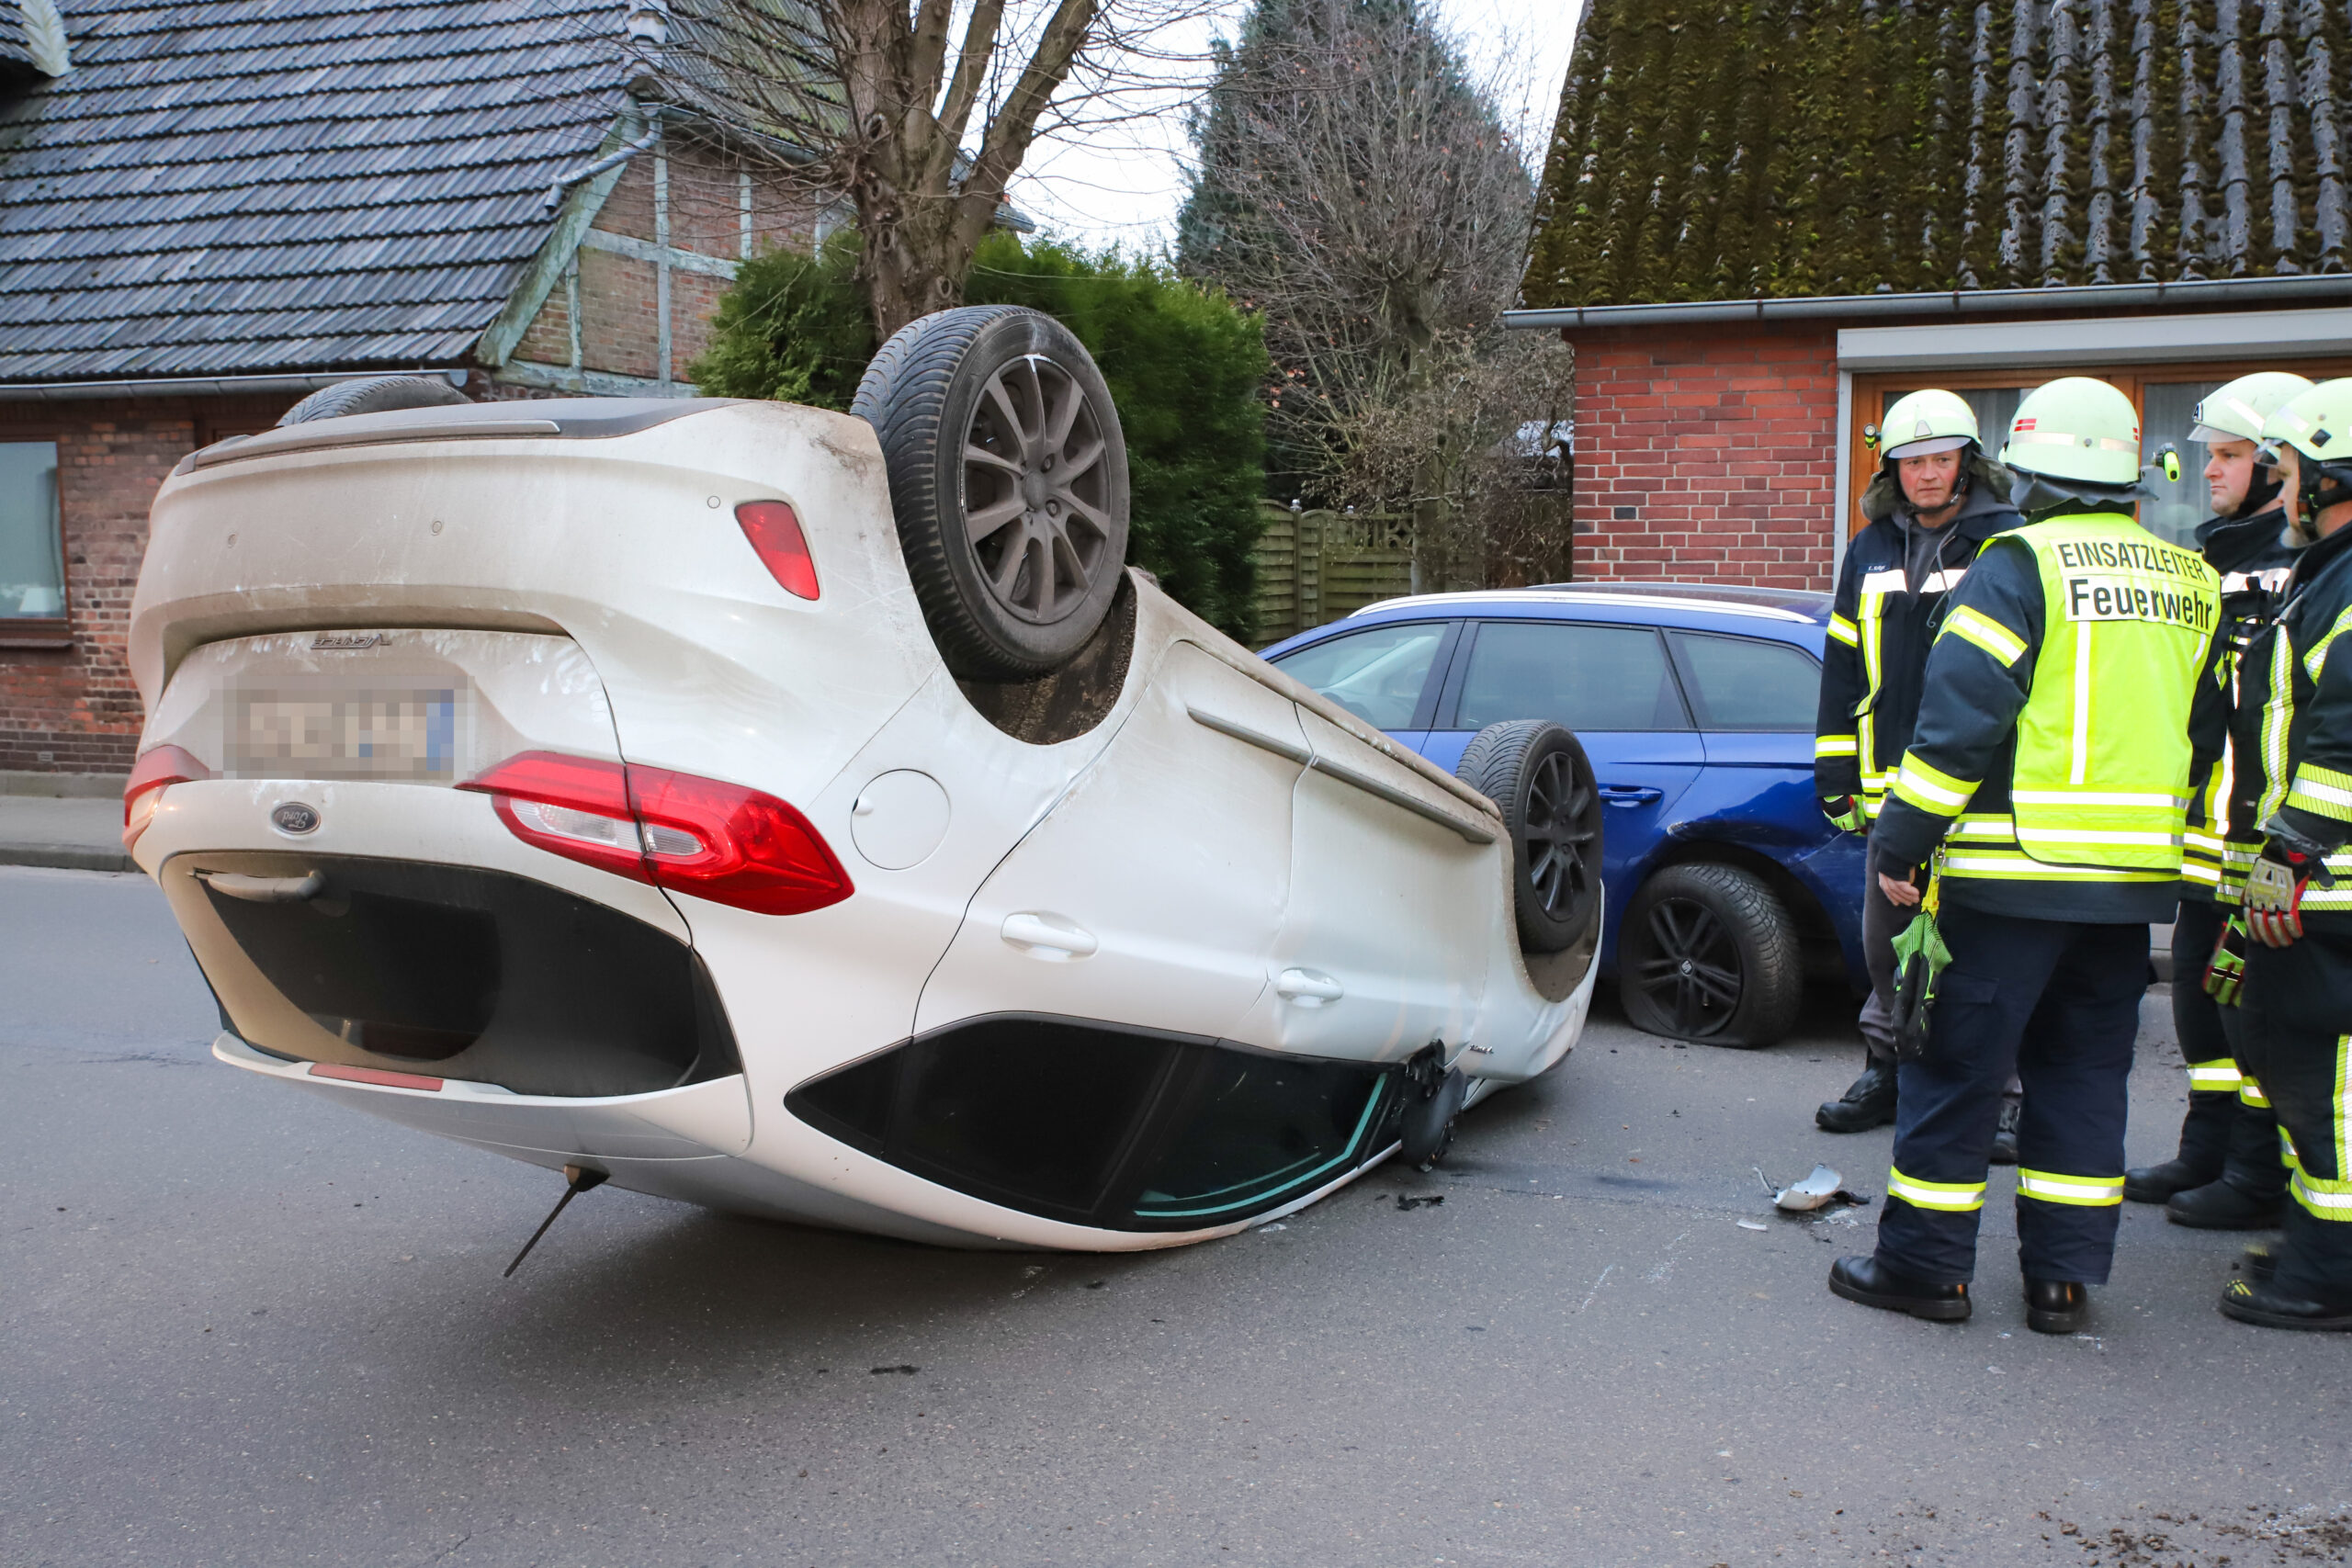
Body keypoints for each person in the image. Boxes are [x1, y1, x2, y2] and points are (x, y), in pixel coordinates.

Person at [1826, 376, 2222, 1334]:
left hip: (2007, 879)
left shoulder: (2016, 565)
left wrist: (1903, 842)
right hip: (2127, 890)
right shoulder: (2188, 578)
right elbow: (2211, 735)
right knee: (2084, 1080)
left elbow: (1958, 725)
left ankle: (1923, 1270)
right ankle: (2061, 1282)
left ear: (2028, 469)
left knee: (1953, 1072)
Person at [2122, 372, 2308, 1229]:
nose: (2213, 472)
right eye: (2213, 457)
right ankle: (2207, 1148)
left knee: (2256, 1010)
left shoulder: (2302, 565)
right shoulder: (2216, 555)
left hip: (2270, 836)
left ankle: (2256, 1172)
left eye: (2232, 456)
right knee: (2202, 998)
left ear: (2280, 464)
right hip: (2207, 832)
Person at [1814, 390, 2024, 1140]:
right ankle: (1889, 1072)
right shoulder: (1867, 548)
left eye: (1941, 459)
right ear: (1892, 469)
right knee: (1885, 947)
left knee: (1979, 957)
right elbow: (1843, 667)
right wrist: (1835, 770)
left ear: (1968, 462)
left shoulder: (2007, 545)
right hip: (1891, 793)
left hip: (1977, 795)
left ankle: (2002, 1096)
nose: (1928, 475)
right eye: (1912, 462)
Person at [2215, 378, 2352, 1331]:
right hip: (2315, 879)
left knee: (2323, 1082)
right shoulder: (2327, 571)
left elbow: (2341, 740)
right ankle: (2316, 1241)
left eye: (2293, 472)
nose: (2282, 488)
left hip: (2328, 882)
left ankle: (2327, 1273)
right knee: (2285, 1057)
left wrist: (2288, 857)